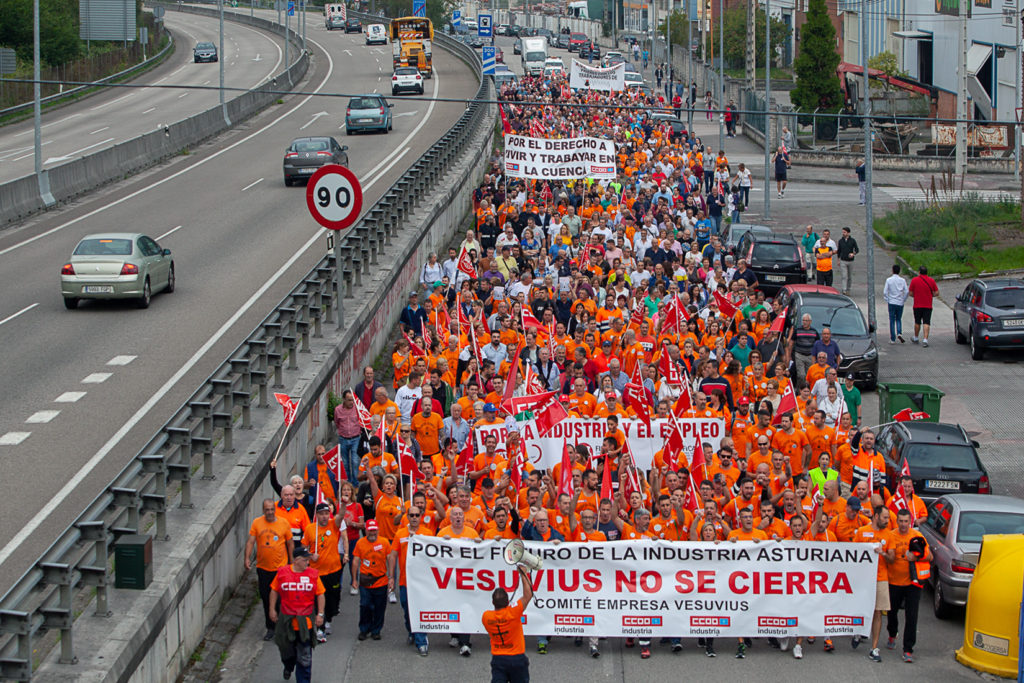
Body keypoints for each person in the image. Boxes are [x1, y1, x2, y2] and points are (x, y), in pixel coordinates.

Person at [269, 547, 325, 683]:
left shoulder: (313, 574)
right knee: (286, 650)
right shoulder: (282, 573)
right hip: (287, 619)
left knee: (305, 655)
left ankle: (303, 680)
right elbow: (274, 590)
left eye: (308, 560)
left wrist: (320, 614)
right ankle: (288, 666)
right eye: (305, 560)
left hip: (305, 621)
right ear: (296, 560)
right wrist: (272, 609)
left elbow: (320, 594)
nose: (307, 563)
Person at [886, 508, 933, 663]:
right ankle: (892, 633)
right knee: (892, 613)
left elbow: (930, 556)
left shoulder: (917, 536)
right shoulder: (891, 535)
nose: (903, 524)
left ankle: (908, 649)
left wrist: (917, 557)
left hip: (913, 583)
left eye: (906, 521)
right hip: (894, 582)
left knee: (911, 616)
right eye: (901, 521)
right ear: (897, 521)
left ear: (910, 521)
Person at [246, 499, 294, 641]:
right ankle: (270, 627)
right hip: (263, 568)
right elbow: (251, 541)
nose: (270, 512)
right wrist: (247, 558)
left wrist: (291, 563)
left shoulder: (284, 523)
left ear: (275, 509)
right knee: (266, 599)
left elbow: (290, 543)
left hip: (280, 569)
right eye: (267, 510)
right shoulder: (257, 523)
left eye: (272, 509)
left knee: (281, 599)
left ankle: (282, 626)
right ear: (263, 510)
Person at [853, 506, 895, 662]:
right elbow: (852, 553)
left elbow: (892, 559)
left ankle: (874, 647)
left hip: (880, 578)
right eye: (885, 517)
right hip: (863, 578)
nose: (887, 521)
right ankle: (858, 631)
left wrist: (882, 553)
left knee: (878, 612)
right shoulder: (862, 531)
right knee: (860, 608)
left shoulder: (889, 535)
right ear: (876, 516)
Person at [301, 502, 346, 642]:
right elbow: (303, 549)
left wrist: (343, 504)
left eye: (326, 514)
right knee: (318, 599)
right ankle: (320, 627)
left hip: (333, 570)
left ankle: (328, 618)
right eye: (321, 514)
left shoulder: (333, 525)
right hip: (317, 572)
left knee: (333, 599)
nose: (324, 517)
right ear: (317, 515)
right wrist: (310, 556)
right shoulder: (310, 529)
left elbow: (341, 516)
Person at [482, 564, 534, 683]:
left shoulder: (486, 616)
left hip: (498, 658)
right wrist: (524, 574)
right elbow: (528, 595)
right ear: (507, 601)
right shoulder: (513, 611)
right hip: (517, 658)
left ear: (492, 602)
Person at [353, 519, 391, 641]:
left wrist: (391, 577)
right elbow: (355, 561)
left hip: (381, 581)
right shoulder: (360, 543)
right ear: (366, 531)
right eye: (370, 531)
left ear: (378, 530)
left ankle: (376, 630)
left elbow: (390, 559)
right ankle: (364, 629)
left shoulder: (384, 542)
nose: (372, 533)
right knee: (365, 606)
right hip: (365, 581)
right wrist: (354, 579)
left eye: (374, 530)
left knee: (380, 607)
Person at [908, 265, 938, 347]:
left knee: (917, 322)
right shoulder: (931, 281)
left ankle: (916, 337)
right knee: (926, 322)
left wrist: (916, 295)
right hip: (928, 305)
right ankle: (925, 339)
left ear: (919, 272)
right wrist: (930, 295)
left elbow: (910, 293)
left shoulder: (914, 280)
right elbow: (936, 293)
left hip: (917, 305)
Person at [883, 264, 909, 344]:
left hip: (892, 302)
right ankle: (899, 332)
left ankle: (892, 338)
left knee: (892, 320)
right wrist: (903, 299)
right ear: (899, 271)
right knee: (898, 318)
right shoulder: (902, 280)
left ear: (892, 270)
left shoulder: (889, 280)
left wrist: (887, 299)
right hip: (900, 302)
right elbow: (907, 291)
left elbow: (885, 292)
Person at [837, 227, 859, 295]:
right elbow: (839, 251)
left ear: (848, 233)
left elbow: (857, 249)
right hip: (843, 260)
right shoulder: (840, 241)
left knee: (849, 276)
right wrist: (838, 259)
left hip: (850, 261)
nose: (843, 233)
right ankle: (844, 290)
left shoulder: (852, 240)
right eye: (843, 232)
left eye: (845, 232)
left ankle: (848, 289)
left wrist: (853, 254)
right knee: (844, 276)